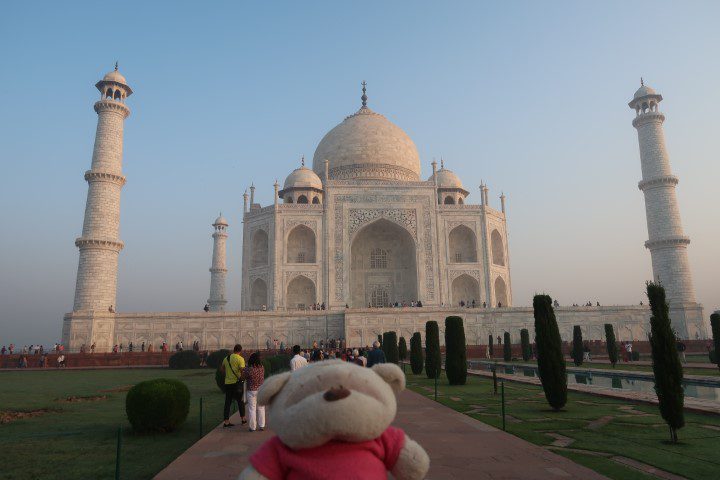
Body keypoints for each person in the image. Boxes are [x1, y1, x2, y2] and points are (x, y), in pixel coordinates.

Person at [221, 344, 247, 428]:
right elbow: (242, 371)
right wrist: (242, 379)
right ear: (240, 350)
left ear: (234, 350)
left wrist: (227, 375)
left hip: (228, 383)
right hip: (237, 383)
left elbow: (222, 369)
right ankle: (243, 419)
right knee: (240, 401)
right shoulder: (240, 359)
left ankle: (226, 421)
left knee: (227, 402)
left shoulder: (226, 358)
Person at [244, 352, 266, 432]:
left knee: (252, 409)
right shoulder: (262, 367)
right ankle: (262, 425)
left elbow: (243, 376)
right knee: (261, 408)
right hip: (261, 389)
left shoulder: (249, 368)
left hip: (251, 390)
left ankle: (252, 427)